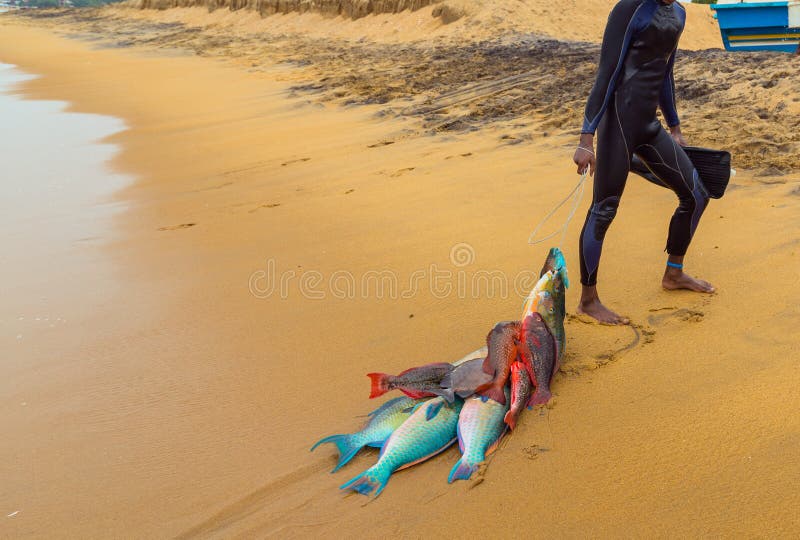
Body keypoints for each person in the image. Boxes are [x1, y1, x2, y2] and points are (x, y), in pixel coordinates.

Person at [572, 0, 715, 325]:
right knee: (604, 209)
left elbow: (665, 74)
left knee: (696, 195)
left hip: (650, 127)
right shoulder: (630, 9)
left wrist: (675, 128)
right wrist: (586, 139)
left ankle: (674, 274)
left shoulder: (678, 13)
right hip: (617, 126)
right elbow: (606, 74)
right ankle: (588, 300)